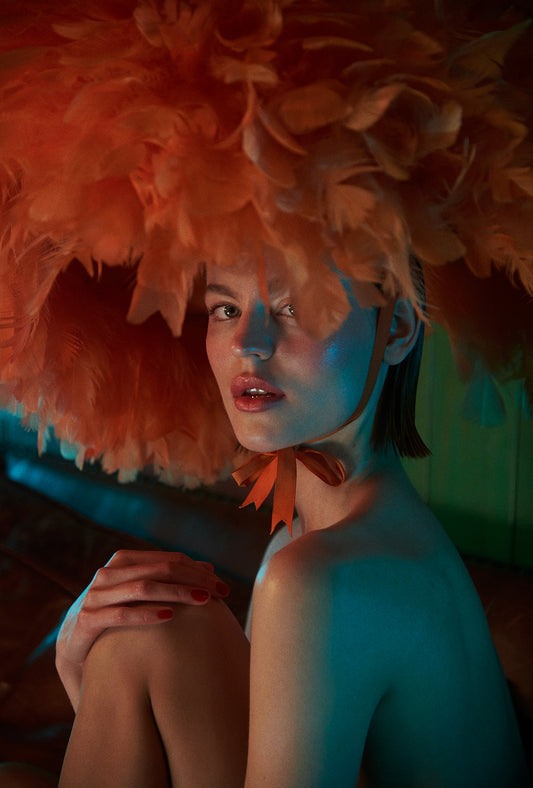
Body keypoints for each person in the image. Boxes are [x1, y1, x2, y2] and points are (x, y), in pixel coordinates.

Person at [0, 1, 531, 785]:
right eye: (224, 307)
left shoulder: (320, 577)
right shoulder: (318, 537)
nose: (247, 344)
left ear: (398, 329)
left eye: (294, 304)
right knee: (153, 626)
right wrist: (85, 659)